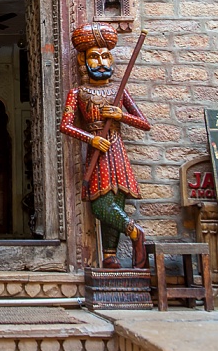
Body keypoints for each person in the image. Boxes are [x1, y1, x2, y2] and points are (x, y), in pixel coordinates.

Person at [60, 23, 151, 269]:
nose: (101, 61)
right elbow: (66, 126)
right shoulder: (78, 93)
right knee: (101, 204)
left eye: (105, 56)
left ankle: (110, 256)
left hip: (116, 149)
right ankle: (135, 233)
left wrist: (121, 116)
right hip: (97, 149)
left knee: (116, 201)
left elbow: (144, 123)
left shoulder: (118, 92)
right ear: (83, 59)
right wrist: (91, 138)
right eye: (94, 56)